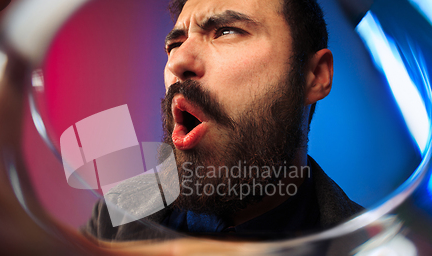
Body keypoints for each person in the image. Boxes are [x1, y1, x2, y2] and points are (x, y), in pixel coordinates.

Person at [86, 0, 363, 241]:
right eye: (175, 44)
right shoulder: (116, 214)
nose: (177, 61)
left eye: (226, 31)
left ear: (314, 75)